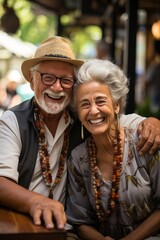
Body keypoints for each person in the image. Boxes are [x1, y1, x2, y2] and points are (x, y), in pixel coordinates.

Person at [0, 36, 159, 239]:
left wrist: (152, 122)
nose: (57, 87)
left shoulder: (81, 118)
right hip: (22, 224)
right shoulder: (13, 121)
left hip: (66, 231)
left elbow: (116, 119)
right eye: (48, 78)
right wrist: (36, 202)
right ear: (32, 81)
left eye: (65, 80)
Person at [66, 58, 160, 240]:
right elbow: (80, 221)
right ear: (78, 113)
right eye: (85, 104)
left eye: (100, 101)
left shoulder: (145, 141)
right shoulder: (78, 159)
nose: (93, 111)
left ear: (116, 105)